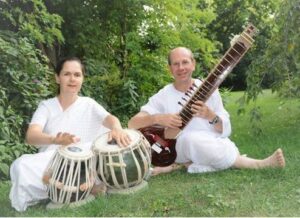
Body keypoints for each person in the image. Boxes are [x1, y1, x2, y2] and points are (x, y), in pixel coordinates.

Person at [128, 47, 285, 176]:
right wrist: (158, 118)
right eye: (176, 64)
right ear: (170, 69)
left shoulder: (208, 89)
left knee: (204, 143)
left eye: (185, 62)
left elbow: (224, 128)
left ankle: (181, 166)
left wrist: (210, 116)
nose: (181, 68)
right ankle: (257, 164)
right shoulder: (164, 94)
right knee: (190, 139)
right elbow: (133, 123)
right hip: (178, 147)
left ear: (193, 64)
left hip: (211, 141)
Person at [9, 57, 131, 212]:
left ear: (82, 79)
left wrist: (117, 127)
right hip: (53, 163)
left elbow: (109, 119)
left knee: (106, 140)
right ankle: (84, 186)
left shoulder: (88, 103)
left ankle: (72, 187)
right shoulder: (46, 106)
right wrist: (55, 139)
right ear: (57, 78)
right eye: (67, 74)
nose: (72, 79)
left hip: (86, 160)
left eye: (77, 75)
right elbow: (31, 136)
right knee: (21, 166)